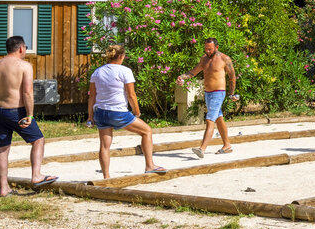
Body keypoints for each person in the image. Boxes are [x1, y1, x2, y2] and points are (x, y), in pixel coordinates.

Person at [0, 36, 56, 195]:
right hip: (16, 111)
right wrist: (30, 115)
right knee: (38, 140)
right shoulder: (24, 66)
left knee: (2, 149)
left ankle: (3, 187)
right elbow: (27, 92)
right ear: (21, 48)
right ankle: (36, 175)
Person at [87, 44, 166, 178]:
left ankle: (106, 176)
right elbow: (131, 95)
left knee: (104, 145)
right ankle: (150, 165)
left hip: (100, 112)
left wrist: (90, 116)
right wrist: (136, 111)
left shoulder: (98, 72)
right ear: (122, 56)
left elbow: (92, 96)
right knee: (147, 131)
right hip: (118, 112)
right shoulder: (125, 71)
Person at [177, 38, 238, 157]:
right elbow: (194, 72)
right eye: (206, 49)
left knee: (210, 119)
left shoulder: (224, 59)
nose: (207, 51)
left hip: (218, 93)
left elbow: (232, 77)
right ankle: (227, 145)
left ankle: (202, 148)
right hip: (208, 93)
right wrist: (182, 77)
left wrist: (231, 93)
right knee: (218, 118)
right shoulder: (204, 59)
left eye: (210, 49)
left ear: (217, 47)